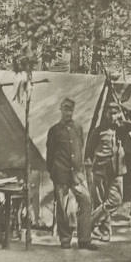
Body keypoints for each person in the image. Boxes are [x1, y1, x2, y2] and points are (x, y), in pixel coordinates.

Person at [46, 97, 96, 249]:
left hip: (77, 174)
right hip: (60, 172)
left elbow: (79, 148)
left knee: (86, 201)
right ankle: (65, 239)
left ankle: (84, 239)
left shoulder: (78, 128)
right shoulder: (54, 130)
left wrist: (79, 168)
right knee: (62, 208)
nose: (68, 112)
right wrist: (53, 172)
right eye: (65, 109)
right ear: (61, 110)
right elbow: (50, 154)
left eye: (71, 110)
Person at [88, 100, 130, 242]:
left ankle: (88, 223)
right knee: (100, 201)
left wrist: (128, 113)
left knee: (115, 200)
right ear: (105, 114)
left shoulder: (122, 129)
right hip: (100, 169)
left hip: (117, 169)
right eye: (110, 113)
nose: (112, 116)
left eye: (115, 113)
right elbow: (89, 150)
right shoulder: (98, 131)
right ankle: (104, 232)